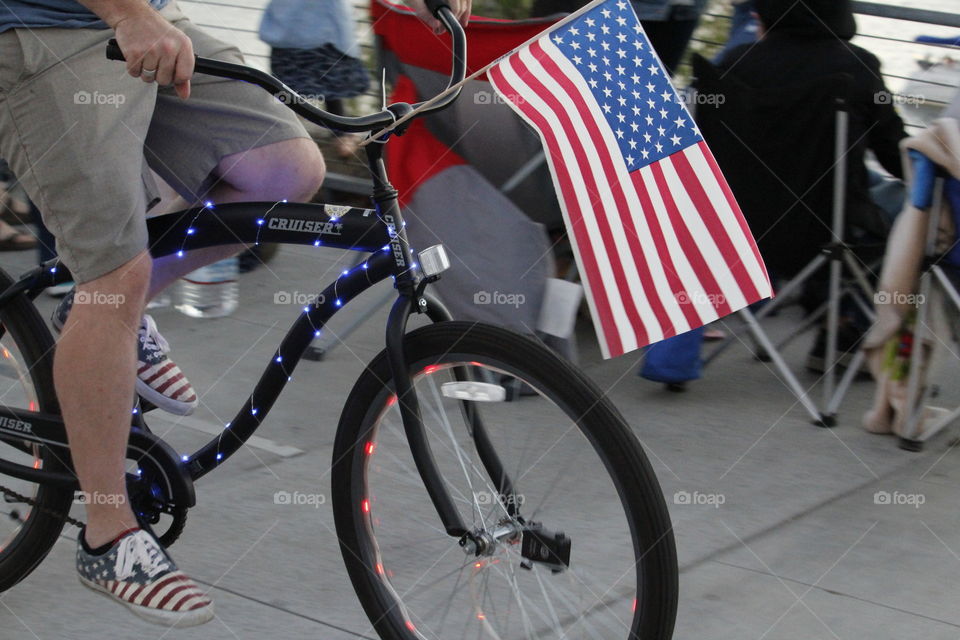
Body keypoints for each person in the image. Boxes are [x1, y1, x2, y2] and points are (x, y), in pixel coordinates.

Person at [0, 0, 469, 627]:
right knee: (114, 273)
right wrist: (126, 13)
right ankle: (108, 534)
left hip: (146, 23)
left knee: (284, 170)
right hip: (42, 35)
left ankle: (107, 320)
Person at [260, 0, 370, 158]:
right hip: (321, 32)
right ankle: (341, 136)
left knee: (287, 91)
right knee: (330, 87)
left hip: (289, 32)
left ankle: (282, 138)